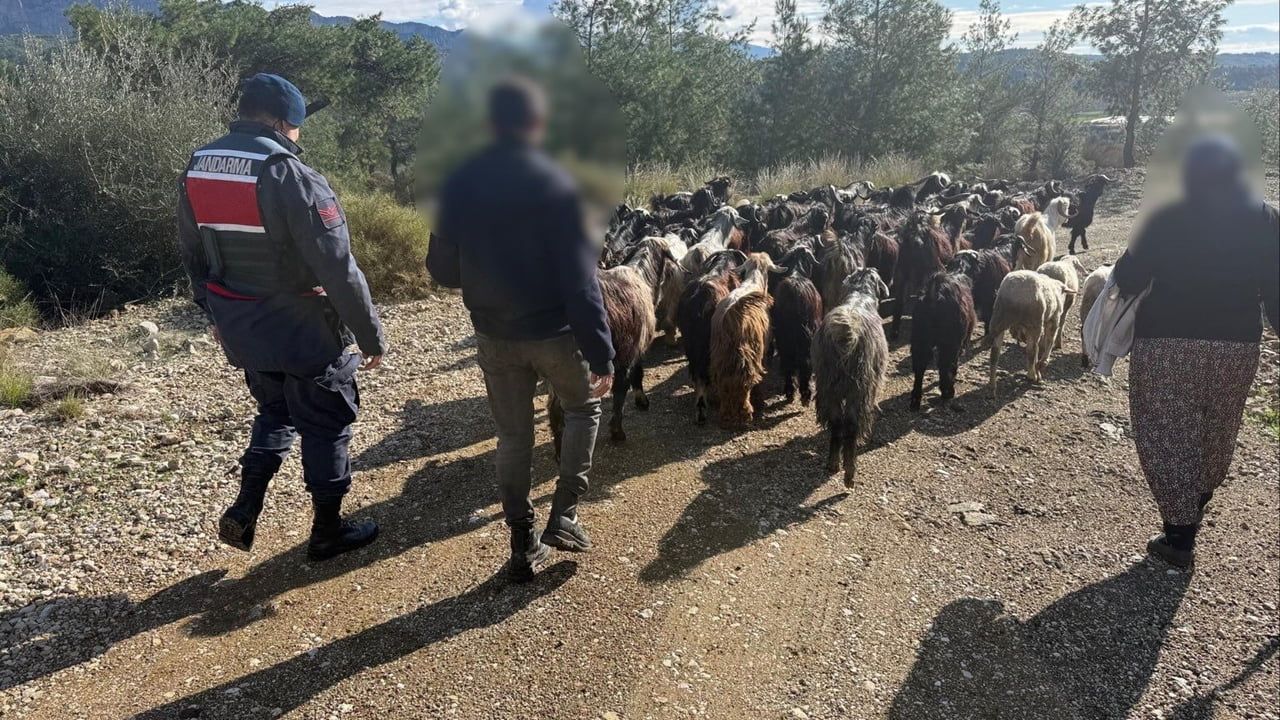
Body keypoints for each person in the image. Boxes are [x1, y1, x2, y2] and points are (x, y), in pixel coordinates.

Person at [177, 73, 385, 561]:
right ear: (280, 121)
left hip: (243, 324)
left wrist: (212, 311)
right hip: (302, 327)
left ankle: (247, 505)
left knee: (275, 410)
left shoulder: (199, 166)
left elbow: (192, 252)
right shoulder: (288, 173)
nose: (298, 135)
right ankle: (328, 530)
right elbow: (337, 267)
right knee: (327, 421)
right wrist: (370, 335)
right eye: (297, 126)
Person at [426, 77, 615, 583]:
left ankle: (521, 539)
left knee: (512, 436)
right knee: (582, 409)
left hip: (493, 334)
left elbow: (440, 269)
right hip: (555, 332)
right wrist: (603, 355)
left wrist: (488, 275)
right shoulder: (558, 183)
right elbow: (581, 282)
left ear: (489, 124)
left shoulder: (459, 184)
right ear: (537, 124)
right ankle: (565, 515)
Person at [1114, 135, 1279, 568]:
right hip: (1236, 349)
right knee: (1217, 430)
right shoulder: (1266, 219)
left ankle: (1179, 536)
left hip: (1166, 345)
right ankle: (1197, 500)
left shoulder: (1165, 217)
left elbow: (1128, 278)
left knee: (1164, 432)